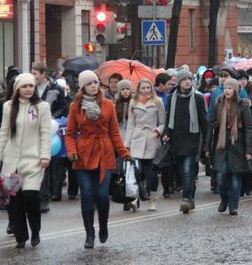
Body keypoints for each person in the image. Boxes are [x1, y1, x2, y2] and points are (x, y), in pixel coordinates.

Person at [66, 70, 130, 247]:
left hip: (104, 152)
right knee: (87, 195)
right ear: (82, 87)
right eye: (89, 83)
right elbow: (70, 134)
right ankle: (89, 234)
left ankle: (103, 225)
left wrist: (123, 152)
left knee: (102, 195)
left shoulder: (108, 104)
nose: (94, 86)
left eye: (95, 82)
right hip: (83, 154)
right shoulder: (75, 106)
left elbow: (114, 132)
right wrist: (71, 151)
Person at [0, 73, 52, 249]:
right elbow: (4, 132)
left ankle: (35, 230)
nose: (28, 89)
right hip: (12, 160)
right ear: (17, 89)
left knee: (30, 196)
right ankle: (21, 236)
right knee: (15, 201)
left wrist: (45, 155)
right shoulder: (8, 107)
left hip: (33, 160)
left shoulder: (42, 107)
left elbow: (45, 132)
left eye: (31, 86)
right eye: (24, 86)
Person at [205, 79, 252, 215]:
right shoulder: (218, 104)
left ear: (235, 90)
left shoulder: (243, 106)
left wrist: (249, 150)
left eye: (230, 88)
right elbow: (211, 125)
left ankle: (233, 206)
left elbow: (249, 128)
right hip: (220, 145)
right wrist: (207, 147)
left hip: (237, 144)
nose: (227, 90)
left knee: (235, 176)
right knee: (221, 175)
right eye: (225, 88)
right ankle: (224, 199)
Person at [163, 70, 207, 214]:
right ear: (179, 82)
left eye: (190, 79)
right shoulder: (171, 98)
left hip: (192, 141)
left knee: (188, 171)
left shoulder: (198, 99)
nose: (188, 81)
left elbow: (204, 122)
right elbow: (168, 119)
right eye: (184, 79)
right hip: (176, 141)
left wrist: (207, 144)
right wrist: (166, 133)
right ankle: (191, 196)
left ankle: (186, 199)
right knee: (183, 173)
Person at [123, 78, 166, 212]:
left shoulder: (158, 101)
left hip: (151, 138)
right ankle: (136, 197)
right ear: (139, 89)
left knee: (150, 172)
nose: (146, 90)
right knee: (136, 170)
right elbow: (130, 124)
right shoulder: (133, 102)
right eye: (143, 88)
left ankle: (152, 199)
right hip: (137, 138)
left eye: (148, 87)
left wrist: (158, 131)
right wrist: (126, 144)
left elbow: (163, 121)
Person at [32, 63, 68, 214]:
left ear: (43, 73)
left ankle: (47, 197)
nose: (33, 76)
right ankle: (39, 197)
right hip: (33, 128)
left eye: (35, 73)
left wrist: (52, 117)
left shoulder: (55, 88)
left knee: (52, 162)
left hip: (51, 129)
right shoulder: (29, 88)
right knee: (38, 164)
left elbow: (63, 107)